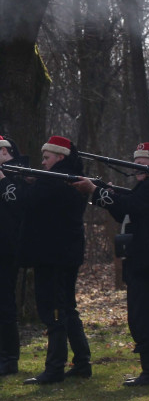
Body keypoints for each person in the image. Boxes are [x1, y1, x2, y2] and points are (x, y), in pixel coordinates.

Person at [73, 142, 149, 387]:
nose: (137, 168)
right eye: (136, 163)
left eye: (142, 164)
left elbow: (129, 206)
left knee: (146, 318)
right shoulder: (145, 187)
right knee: (139, 318)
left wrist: (96, 191)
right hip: (143, 260)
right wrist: (105, 193)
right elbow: (126, 212)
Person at [21, 136, 90, 385]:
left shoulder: (55, 180)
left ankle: (55, 367)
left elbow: (29, 201)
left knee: (55, 311)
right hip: (64, 254)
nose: (43, 162)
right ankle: (81, 362)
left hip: (53, 256)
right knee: (67, 308)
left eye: (47, 158)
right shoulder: (65, 179)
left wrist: (9, 181)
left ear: (60, 157)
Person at [0, 136, 26, 376]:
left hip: (7, 249)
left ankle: (9, 357)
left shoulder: (19, 174)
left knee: (5, 304)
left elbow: (16, 204)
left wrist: (2, 179)